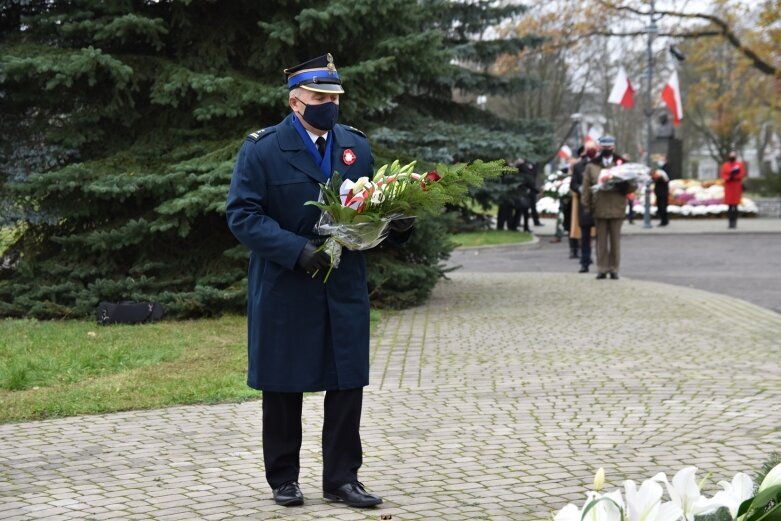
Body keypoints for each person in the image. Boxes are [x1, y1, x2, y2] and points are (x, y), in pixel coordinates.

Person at [226, 53, 400, 509]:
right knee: (284, 384)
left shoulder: (356, 147)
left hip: (343, 284)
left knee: (346, 384)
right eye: (320, 96)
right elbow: (242, 215)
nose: (330, 104)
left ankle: (343, 479)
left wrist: (394, 222)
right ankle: (283, 477)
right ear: (295, 101)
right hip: (288, 284)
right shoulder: (262, 149)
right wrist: (295, 251)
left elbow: (368, 205)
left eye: (335, 96)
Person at [581, 135, 626, 280]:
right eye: (604, 147)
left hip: (617, 207)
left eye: (609, 146)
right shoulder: (592, 165)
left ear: (614, 147)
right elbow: (586, 187)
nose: (607, 149)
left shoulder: (622, 164)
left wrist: (622, 184)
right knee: (600, 241)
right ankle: (602, 268)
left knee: (615, 241)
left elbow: (632, 186)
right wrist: (586, 206)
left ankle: (614, 269)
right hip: (599, 207)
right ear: (600, 148)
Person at [570, 143, 597, 272]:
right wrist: (580, 189)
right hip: (585, 204)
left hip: (599, 203)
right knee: (585, 234)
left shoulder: (600, 164)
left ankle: (603, 263)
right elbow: (573, 183)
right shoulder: (578, 166)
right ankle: (584, 261)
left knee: (601, 235)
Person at [720, 150, 746, 229]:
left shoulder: (739, 165)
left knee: (735, 206)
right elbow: (723, 175)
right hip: (729, 187)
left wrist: (734, 176)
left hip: (736, 187)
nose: (732, 157)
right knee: (730, 206)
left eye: (733, 155)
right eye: (731, 155)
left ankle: (735, 222)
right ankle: (730, 222)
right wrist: (729, 177)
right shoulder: (725, 165)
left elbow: (742, 174)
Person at [516, 157, 544, 227]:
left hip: (530, 188)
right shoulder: (522, 166)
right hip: (526, 189)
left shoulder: (532, 165)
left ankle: (534, 222)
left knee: (531, 206)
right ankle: (521, 224)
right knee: (523, 207)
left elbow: (532, 177)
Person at [652, 154, 670, 226]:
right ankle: (664, 220)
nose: (660, 161)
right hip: (659, 190)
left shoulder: (667, 168)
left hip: (663, 191)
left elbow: (667, 178)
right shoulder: (660, 168)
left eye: (662, 159)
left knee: (663, 206)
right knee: (660, 206)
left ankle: (664, 221)